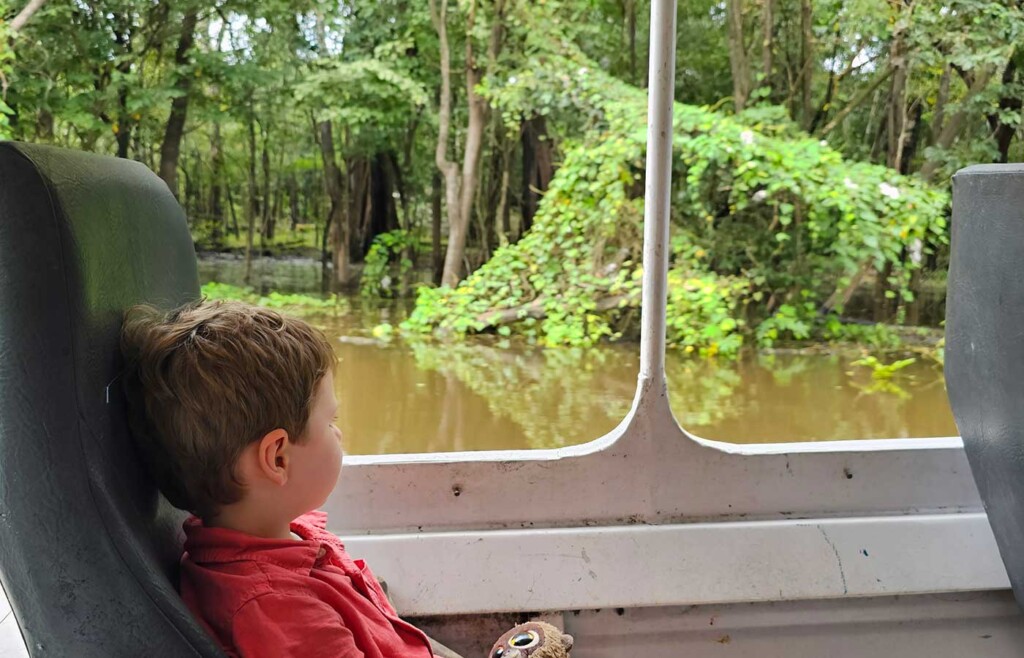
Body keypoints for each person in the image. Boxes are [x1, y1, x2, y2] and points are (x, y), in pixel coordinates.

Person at [121, 300, 462, 658]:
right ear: (278, 458)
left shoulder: (280, 539)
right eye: (330, 421)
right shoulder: (280, 610)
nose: (340, 433)